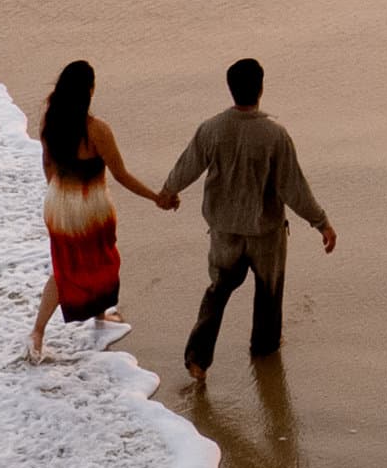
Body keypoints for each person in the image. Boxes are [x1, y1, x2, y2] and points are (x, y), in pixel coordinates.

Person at [160, 58, 336, 380]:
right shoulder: (274, 135)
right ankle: (263, 354)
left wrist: (168, 191)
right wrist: (321, 222)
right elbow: (292, 187)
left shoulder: (211, 129)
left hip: (224, 231)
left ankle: (198, 360)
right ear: (261, 88)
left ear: (231, 90)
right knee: (268, 295)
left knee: (218, 291)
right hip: (265, 232)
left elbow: (188, 166)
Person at [27, 60, 174, 362]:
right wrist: (156, 197)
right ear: (89, 90)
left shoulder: (49, 123)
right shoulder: (96, 130)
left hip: (58, 205)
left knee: (63, 270)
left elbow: (46, 164)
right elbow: (120, 175)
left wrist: (58, 195)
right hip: (91, 209)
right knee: (103, 261)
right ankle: (100, 318)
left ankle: (38, 332)